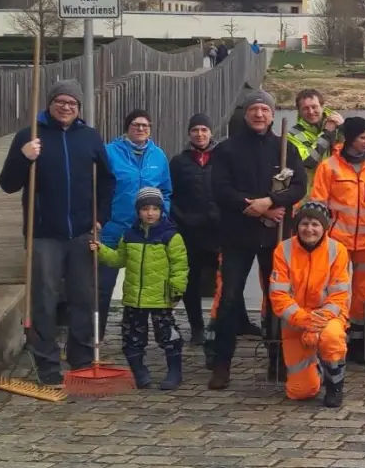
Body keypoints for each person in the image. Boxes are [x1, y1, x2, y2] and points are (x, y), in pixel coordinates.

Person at [0, 80, 113, 386]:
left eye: (72, 103)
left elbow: (106, 181)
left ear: (78, 108)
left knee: (83, 297)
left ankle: (82, 357)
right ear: (50, 103)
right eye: (61, 101)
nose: (66, 107)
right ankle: (47, 362)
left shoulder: (88, 137)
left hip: (80, 232)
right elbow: (8, 184)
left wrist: (100, 218)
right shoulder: (30, 136)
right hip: (43, 233)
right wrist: (24, 156)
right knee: (44, 299)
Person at [207, 90, 307, 390]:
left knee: (278, 299)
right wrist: (251, 206)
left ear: (273, 114)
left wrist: (272, 201)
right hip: (238, 234)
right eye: (254, 110)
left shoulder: (285, 148)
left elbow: (300, 186)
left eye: (264, 109)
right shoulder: (227, 149)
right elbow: (220, 189)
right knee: (230, 299)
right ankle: (222, 364)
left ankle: (278, 358)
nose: (259, 115)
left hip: (274, 234)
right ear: (246, 114)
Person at [309, 116, 365, 362]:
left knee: (364, 294)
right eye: (363, 137)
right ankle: (334, 336)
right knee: (335, 292)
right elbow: (318, 204)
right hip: (337, 243)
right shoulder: (329, 167)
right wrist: (319, 238)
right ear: (349, 139)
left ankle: (357, 341)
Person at [96, 187, 188, 390]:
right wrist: (100, 250)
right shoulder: (129, 235)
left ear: (161, 211)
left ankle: (174, 371)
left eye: (155, 208)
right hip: (134, 299)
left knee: (168, 336)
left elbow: (180, 266)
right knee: (132, 338)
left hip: (160, 298)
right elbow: (119, 259)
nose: (150, 213)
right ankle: (139, 371)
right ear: (138, 211)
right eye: (145, 209)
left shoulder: (171, 236)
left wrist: (176, 289)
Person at [266, 200, 350, 408]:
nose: (309, 229)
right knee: (300, 392)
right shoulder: (283, 250)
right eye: (304, 223)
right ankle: (317, 370)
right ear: (297, 226)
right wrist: (305, 321)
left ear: (324, 227)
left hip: (329, 317)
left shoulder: (337, 250)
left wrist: (317, 323)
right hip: (296, 321)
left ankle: (335, 385)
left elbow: (339, 296)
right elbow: (278, 296)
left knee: (331, 337)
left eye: (315, 224)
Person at [100, 110, 174, 339]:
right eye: (135, 124)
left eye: (145, 125)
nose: (140, 129)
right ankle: (95, 338)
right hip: (113, 228)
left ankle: (138, 338)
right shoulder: (109, 152)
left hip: (146, 232)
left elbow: (166, 191)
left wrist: (162, 216)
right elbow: (97, 187)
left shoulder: (158, 156)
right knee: (102, 288)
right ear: (127, 127)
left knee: (145, 286)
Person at [169, 113, 221, 346]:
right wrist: (182, 218)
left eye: (204, 130)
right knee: (192, 281)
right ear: (189, 134)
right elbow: (171, 194)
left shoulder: (222, 158)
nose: (200, 134)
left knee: (226, 279)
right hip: (190, 230)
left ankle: (221, 324)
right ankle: (196, 327)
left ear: (211, 133)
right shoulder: (179, 162)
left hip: (218, 229)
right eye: (195, 130)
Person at [287, 89, 342, 189]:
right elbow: (309, 162)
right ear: (299, 111)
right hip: (311, 193)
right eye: (305, 108)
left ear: (322, 106)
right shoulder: (292, 135)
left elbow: (354, 154)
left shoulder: (339, 124)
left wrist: (345, 129)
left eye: (314, 107)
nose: (311, 112)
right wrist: (326, 134)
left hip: (338, 191)